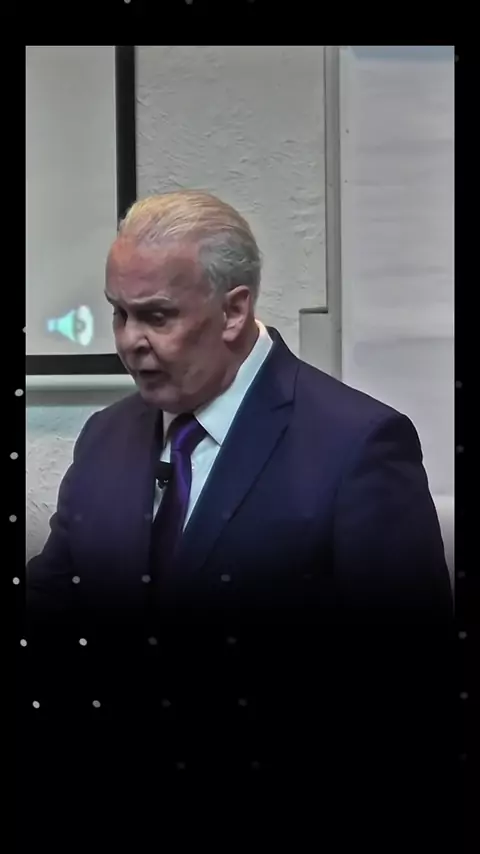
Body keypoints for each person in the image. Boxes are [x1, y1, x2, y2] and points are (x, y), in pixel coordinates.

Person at [24, 191, 453, 844]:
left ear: (234, 310)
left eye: (157, 316)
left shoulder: (358, 446)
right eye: (119, 314)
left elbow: (409, 689)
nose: (130, 342)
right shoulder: (106, 436)